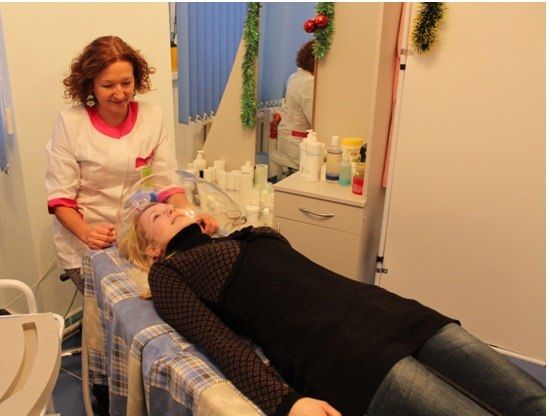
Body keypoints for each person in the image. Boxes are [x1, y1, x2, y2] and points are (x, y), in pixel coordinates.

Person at [118, 201, 545, 416]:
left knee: (528, 397)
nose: (169, 208)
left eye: (171, 205)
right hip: (344, 354)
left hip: (389, 311)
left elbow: (278, 246)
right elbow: (221, 344)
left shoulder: (244, 237)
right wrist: (286, 404)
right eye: (157, 216)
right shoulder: (169, 274)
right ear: (152, 249)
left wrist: (213, 226)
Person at [45, 36, 216, 294]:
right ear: (91, 85)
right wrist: (87, 233)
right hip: (88, 241)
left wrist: (191, 217)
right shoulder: (71, 124)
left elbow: (167, 184)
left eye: (126, 83)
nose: (119, 93)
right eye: (108, 85)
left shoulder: (151, 116)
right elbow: (60, 199)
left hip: (140, 237)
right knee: (114, 305)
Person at [272, 40, 315, 171]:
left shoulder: (294, 77)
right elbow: (314, 119)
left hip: (287, 141)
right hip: (297, 146)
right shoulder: (308, 82)